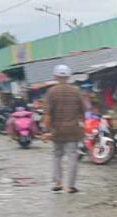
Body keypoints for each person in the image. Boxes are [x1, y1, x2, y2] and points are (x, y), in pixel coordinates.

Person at [42, 64, 89, 193]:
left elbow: (47, 114)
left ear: (55, 76)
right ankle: (70, 186)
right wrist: (83, 124)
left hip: (57, 130)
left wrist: (46, 131)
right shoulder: (76, 91)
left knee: (57, 155)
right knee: (72, 156)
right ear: (69, 77)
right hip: (73, 130)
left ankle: (58, 183)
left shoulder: (51, 92)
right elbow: (83, 111)